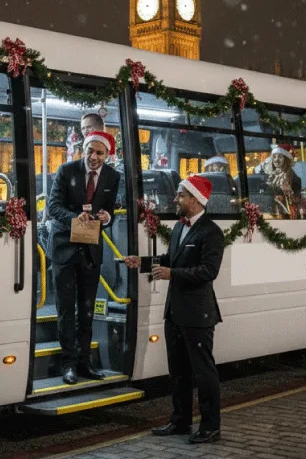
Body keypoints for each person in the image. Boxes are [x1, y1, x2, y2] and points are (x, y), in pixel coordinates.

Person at [124, 175, 225, 446]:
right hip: (175, 312)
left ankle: (210, 426)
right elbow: (171, 261)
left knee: (203, 372)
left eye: (180, 195)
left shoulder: (211, 232)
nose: (175, 199)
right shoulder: (180, 229)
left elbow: (208, 271)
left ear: (194, 199)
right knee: (178, 371)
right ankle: (180, 420)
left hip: (198, 314)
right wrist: (143, 262)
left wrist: (173, 274)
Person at [47, 130, 120, 384]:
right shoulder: (66, 171)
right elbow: (52, 207)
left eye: (99, 153)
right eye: (90, 151)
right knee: (66, 308)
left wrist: (107, 218)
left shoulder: (113, 176)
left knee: (87, 309)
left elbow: (109, 210)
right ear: (83, 149)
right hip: (64, 248)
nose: (94, 157)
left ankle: (84, 362)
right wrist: (73, 217)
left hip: (90, 248)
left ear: (107, 155)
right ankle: (68, 365)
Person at [264, 145, 302, 218]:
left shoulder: (294, 178)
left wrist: (290, 193)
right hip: (270, 214)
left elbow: (297, 201)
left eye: (280, 157)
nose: (276, 160)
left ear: (286, 159)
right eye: (274, 157)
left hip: (287, 216)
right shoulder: (269, 177)